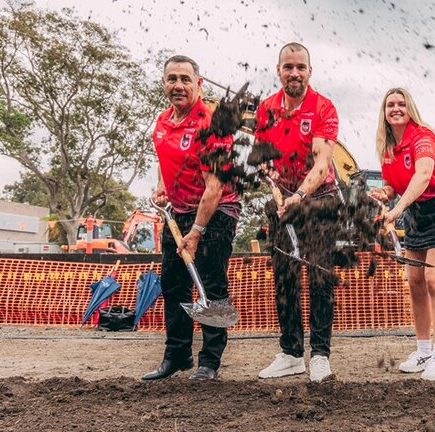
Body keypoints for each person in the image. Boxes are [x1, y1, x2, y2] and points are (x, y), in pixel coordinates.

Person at [142, 55, 239, 382]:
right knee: (173, 283)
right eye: (172, 79)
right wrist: (161, 187)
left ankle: (209, 362)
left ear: (199, 84)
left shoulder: (212, 124)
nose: (178, 85)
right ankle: (177, 355)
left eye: (185, 79)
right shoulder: (161, 122)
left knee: (210, 286)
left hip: (217, 210)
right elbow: (164, 161)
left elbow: (215, 185)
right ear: (164, 83)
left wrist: (197, 232)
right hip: (177, 212)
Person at [255, 42, 340, 383]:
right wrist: (267, 172)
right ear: (278, 70)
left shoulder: (323, 107)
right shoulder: (266, 109)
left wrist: (301, 194)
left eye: (300, 67)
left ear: (309, 71)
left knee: (320, 279)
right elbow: (263, 154)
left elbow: (322, 163)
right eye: (288, 67)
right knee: (285, 279)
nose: (294, 73)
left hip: (319, 200)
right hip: (282, 202)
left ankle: (319, 355)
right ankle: (291, 353)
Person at [369, 88, 435, 383]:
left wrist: (396, 209)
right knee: (414, 282)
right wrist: (382, 193)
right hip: (416, 214)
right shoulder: (387, 146)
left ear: (409, 108)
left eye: (401, 104)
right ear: (384, 112)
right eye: (390, 105)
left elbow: (423, 176)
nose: (396, 108)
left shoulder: (423, 136)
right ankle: (423, 350)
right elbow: (391, 183)